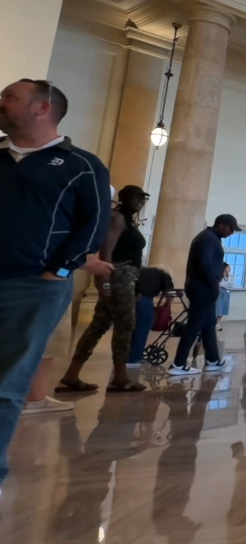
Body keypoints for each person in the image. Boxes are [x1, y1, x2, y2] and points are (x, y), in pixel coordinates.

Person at [0, 78, 112, 484]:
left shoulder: (81, 164)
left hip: (33, 285)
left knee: (7, 380)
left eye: (9, 97)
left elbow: (93, 224)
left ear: (42, 108)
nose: (1, 102)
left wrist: (58, 272)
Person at [57, 184, 150, 393]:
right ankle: (120, 377)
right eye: (136, 197)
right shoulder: (117, 218)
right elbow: (106, 252)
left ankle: (71, 375)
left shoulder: (129, 221)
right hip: (119, 275)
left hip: (127, 276)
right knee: (125, 325)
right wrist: (104, 281)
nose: (140, 202)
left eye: (143, 198)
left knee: (97, 327)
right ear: (124, 198)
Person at [168, 213, 241, 377]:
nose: (232, 233)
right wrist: (213, 284)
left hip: (202, 287)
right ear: (221, 224)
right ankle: (178, 363)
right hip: (203, 288)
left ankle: (213, 360)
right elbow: (205, 264)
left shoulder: (209, 238)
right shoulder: (208, 239)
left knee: (208, 324)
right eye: (231, 228)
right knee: (194, 325)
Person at [128, 265, 174, 366]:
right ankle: (133, 359)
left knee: (132, 328)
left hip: (129, 298)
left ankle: (126, 356)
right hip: (144, 299)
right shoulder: (164, 275)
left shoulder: (145, 270)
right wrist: (167, 304)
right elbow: (170, 293)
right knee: (143, 328)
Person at [216, 263, 233, 329]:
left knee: (223, 310)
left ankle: (218, 323)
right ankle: (214, 323)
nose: (230, 269)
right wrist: (224, 285)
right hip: (219, 294)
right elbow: (219, 284)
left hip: (226, 294)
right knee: (217, 309)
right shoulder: (219, 276)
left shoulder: (230, 277)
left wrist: (223, 285)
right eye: (228, 267)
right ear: (224, 268)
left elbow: (231, 285)